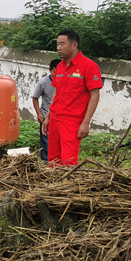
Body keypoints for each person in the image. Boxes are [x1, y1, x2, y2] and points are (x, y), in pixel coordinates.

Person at [42, 30, 102, 166]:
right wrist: (48, 117)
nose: (58, 48)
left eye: (62, 44)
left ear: (74, 45)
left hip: (72, 122)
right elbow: (56, 93)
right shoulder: (60, 67)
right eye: (57, 44)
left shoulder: (89, 66)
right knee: (53, 160)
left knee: (68, 161)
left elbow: (95, 95)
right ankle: (54, 186)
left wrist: (85, 123)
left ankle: (68, 186)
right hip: (55, 119)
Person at [32, 58, 60, 161]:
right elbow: (35, 97)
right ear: (50, 70)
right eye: (54, 71)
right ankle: (45, 161)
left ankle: (56, 161)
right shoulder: (43, 83)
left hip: (59, 116)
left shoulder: (63, 82)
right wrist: (39, 113)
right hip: (45, 115)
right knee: (46, 140)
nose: (56, 74)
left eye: (59, 72)